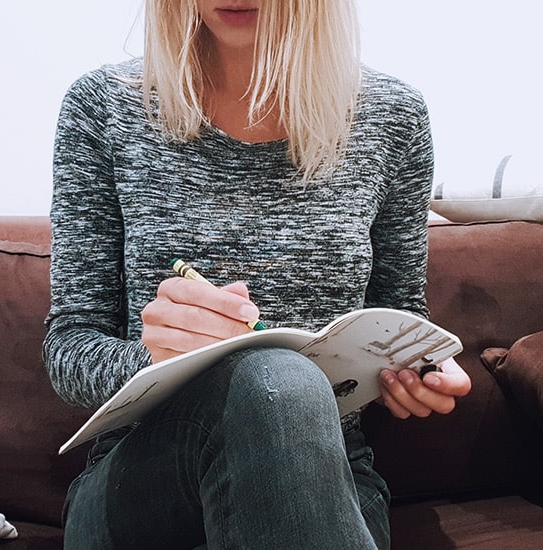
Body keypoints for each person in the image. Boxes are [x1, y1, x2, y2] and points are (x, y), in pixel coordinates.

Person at [44, 0, 472, 548]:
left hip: (326, 469)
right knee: (277, 375)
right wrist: (153, 360)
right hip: (145, 477)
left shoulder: (394, 118)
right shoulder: (104, 108)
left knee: (280, 383)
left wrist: (420, 367)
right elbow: (68, 348)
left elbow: (400, 314)